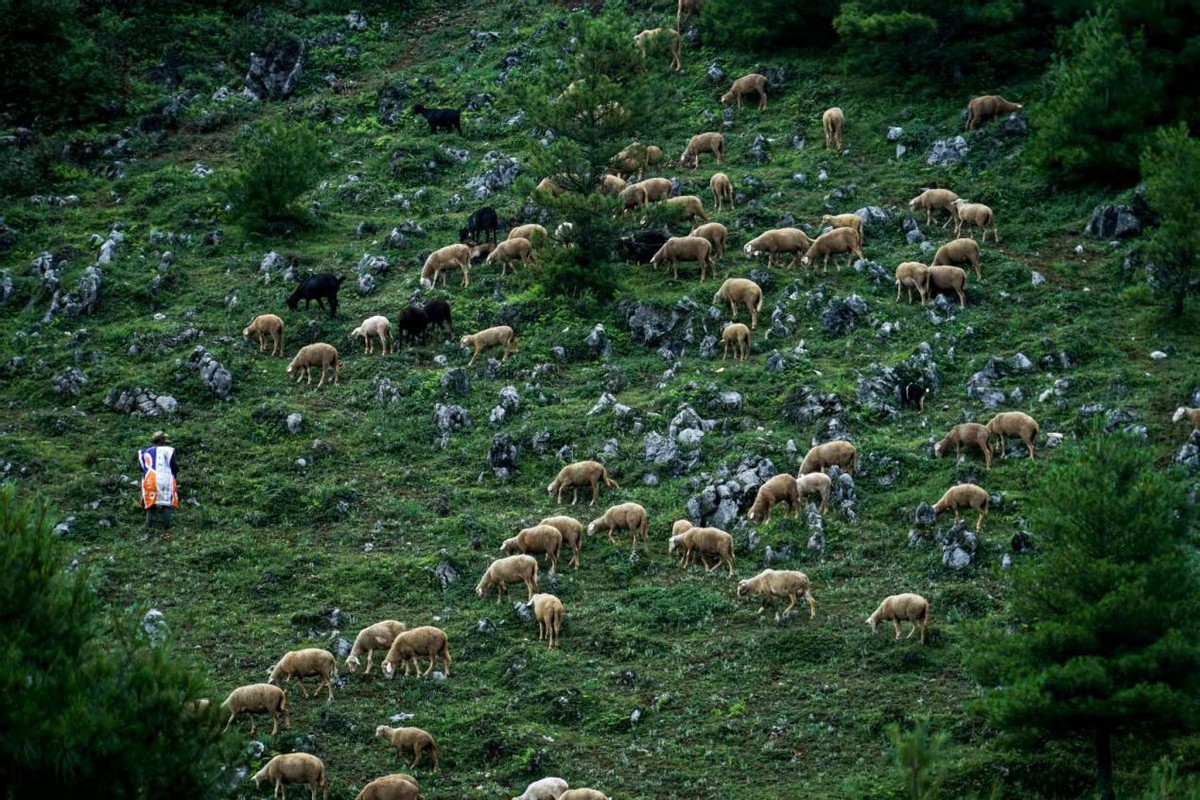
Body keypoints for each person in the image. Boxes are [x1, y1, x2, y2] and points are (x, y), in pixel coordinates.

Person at [138, 431, 178, 532]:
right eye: (164, 438)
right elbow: (174, 465)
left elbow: (141, 468)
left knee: (151, 504)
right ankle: (167, 527)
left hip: (149, 479)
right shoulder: (168, 450)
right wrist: (174, 475)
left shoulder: (144, 452)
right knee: (165, 503)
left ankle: (147, 527)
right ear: (161, 439)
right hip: (164, 478)